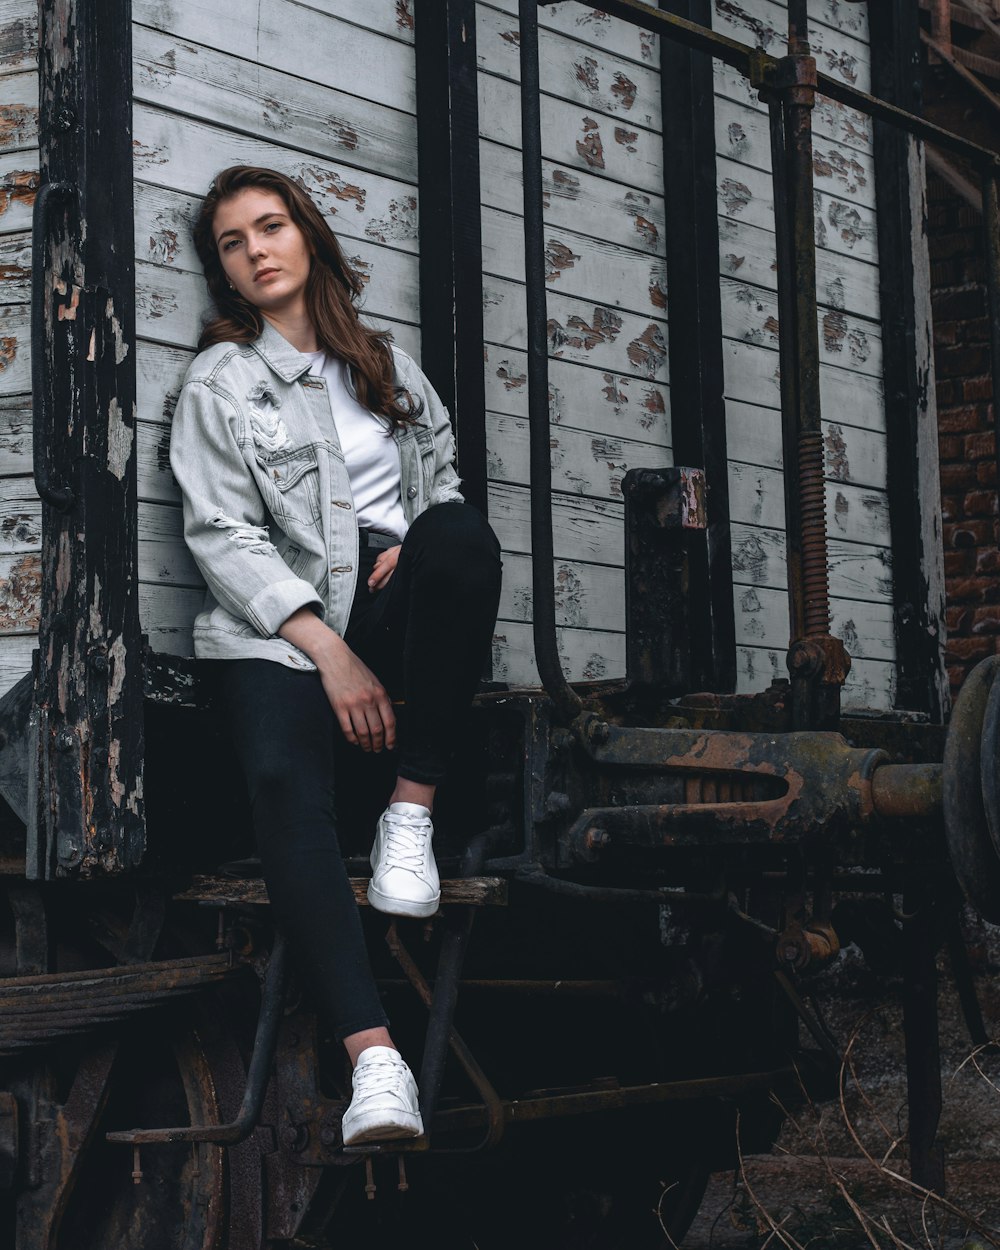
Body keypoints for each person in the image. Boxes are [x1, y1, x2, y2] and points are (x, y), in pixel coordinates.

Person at [169, 165, 502, 1146]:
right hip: (277, 628)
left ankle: (412, 812)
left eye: (270, 226)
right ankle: (376, 1062)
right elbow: (223, 533)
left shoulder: (385, 368)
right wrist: (328, 649)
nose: (255, 249)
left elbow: (441, 483)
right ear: (225, 271)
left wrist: (410, 534)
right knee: (281, 777)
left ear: (307, 235)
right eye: (232, 241)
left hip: (385, 597)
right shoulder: (221, 383)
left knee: (463, 537)